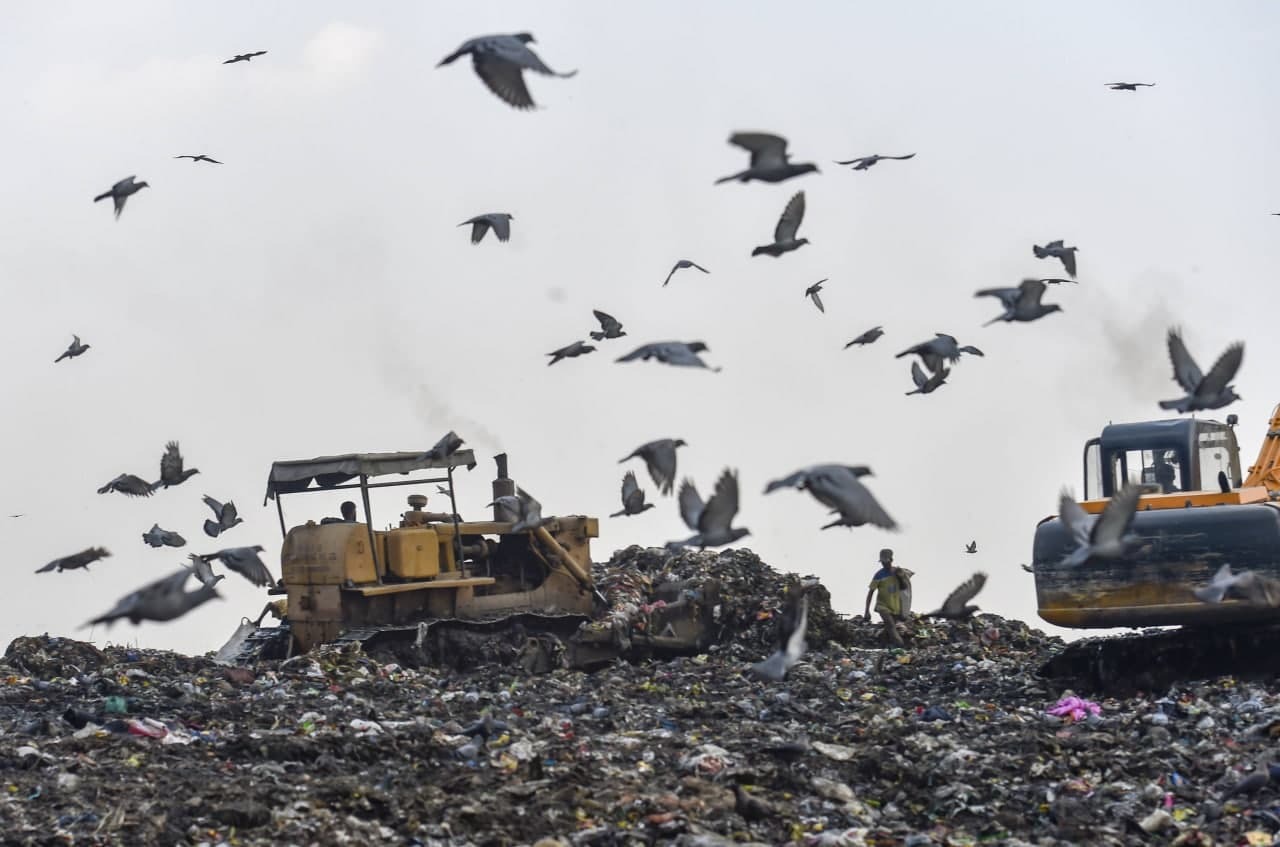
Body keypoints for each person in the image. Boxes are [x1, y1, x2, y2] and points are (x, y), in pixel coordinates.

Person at [864, 548, 907, 646]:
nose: (884, 564)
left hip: (895, 607)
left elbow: (904, 587)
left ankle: (880, 642)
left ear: (891, 560)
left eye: (886, 561)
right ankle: (902, 647)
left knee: (889, 628)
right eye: (882, 562)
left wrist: (900, 577)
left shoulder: (898, 572)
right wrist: (867, 611)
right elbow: (870, 593)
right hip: (882, 606)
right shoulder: (879, 575)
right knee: (891, 626)